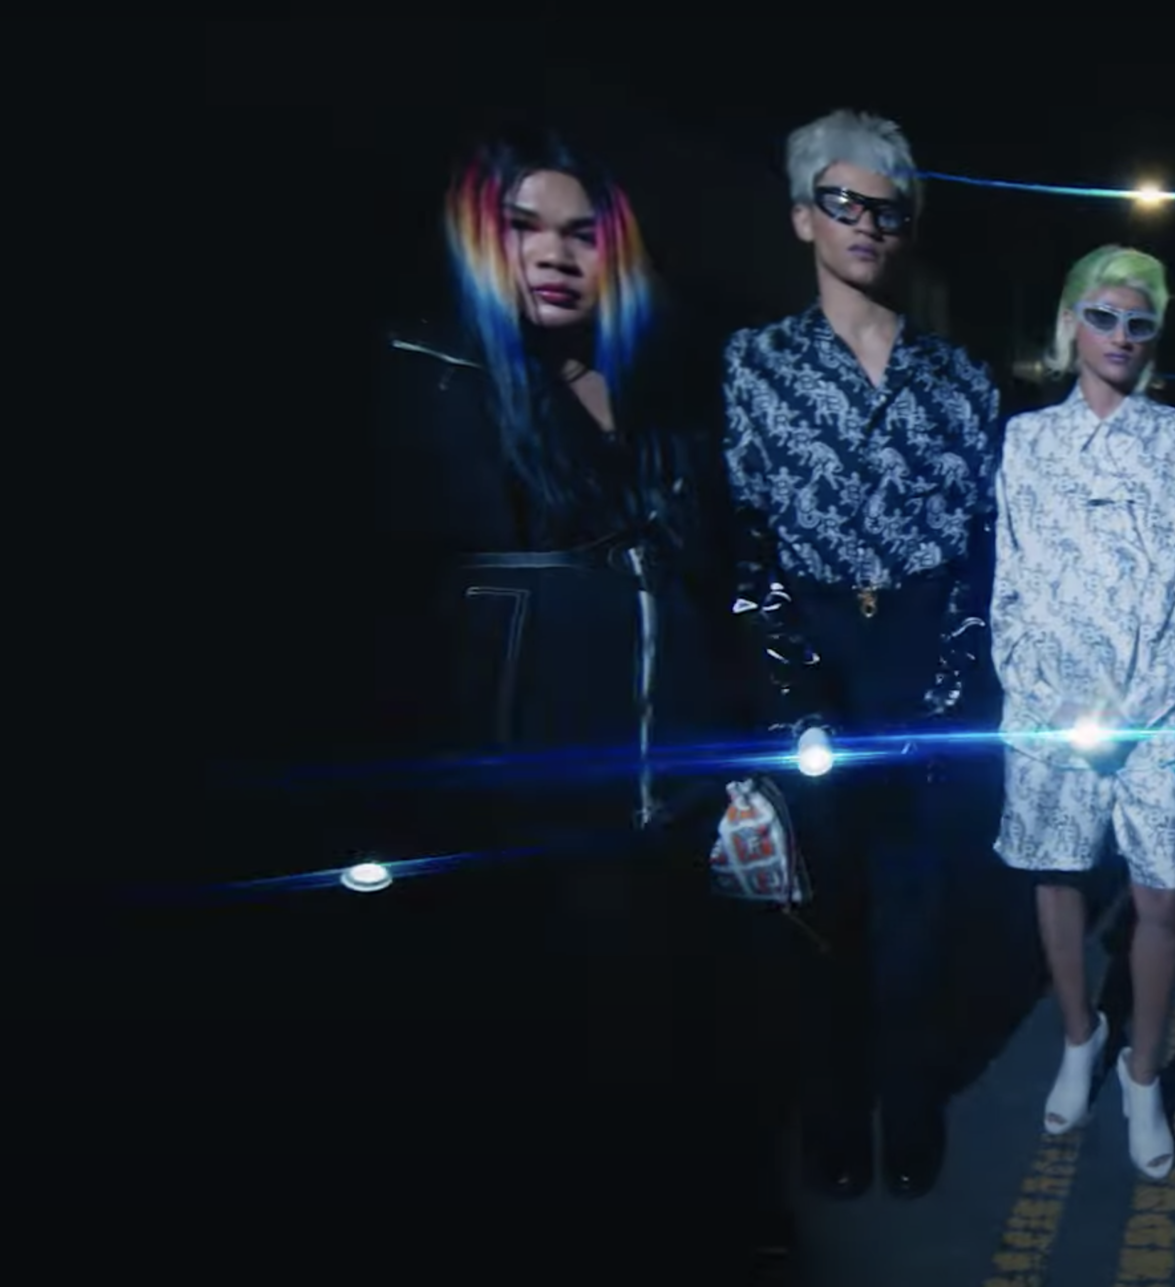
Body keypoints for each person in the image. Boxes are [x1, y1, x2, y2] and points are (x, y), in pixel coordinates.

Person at [355, 127, 736, 1267]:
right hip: (523, 813)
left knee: (665, 1056)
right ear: (482, 237)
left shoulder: (656, 385)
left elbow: (700, 591)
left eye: (582, 233)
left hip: (663, 803)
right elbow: (391, 623)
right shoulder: (433, 376)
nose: (556, 255)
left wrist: (737, 769)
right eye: (526, 228)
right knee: (544, 1085)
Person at [715, 107, 1001, 1233]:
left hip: (922, 649)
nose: (867, 223)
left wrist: (950, 679)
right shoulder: (755, 363)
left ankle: (910, 1106)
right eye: (844, 202)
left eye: (887, 208)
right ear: (803, 217)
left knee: (919, 912)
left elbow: (981, 547)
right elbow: (745, 543)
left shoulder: (959, 376)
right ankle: (833, 1113)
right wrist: (789, 688)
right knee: (821, 910)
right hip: (812, 647)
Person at [994, 245, 1175, 1181]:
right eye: (1102, 317)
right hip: (1049, 705)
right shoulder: (1027, 440)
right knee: (1056, 874)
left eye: (1139, 322)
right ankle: (1080, 1035)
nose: (1120, 337)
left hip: (1153, 712)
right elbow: (1011, 585)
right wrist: (1052, 696)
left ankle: (1141, 1074)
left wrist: (1138, 705)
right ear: (1070, 324)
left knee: (1163, 895)